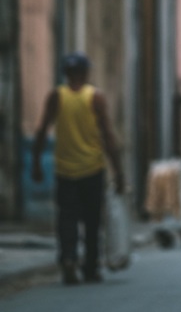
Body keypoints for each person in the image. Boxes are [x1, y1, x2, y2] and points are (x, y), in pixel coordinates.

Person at [31, 53, 124, 285]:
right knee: (92, 221)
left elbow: (42, 130)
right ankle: (90, 267)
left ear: (65, 73)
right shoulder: (95, 97)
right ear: (86, 73)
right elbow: (108, 136)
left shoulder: (56, 96)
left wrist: (35, 163)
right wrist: (118, 170)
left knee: (66, 219)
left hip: (65, 170)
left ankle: (68, 259)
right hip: (92, 168)